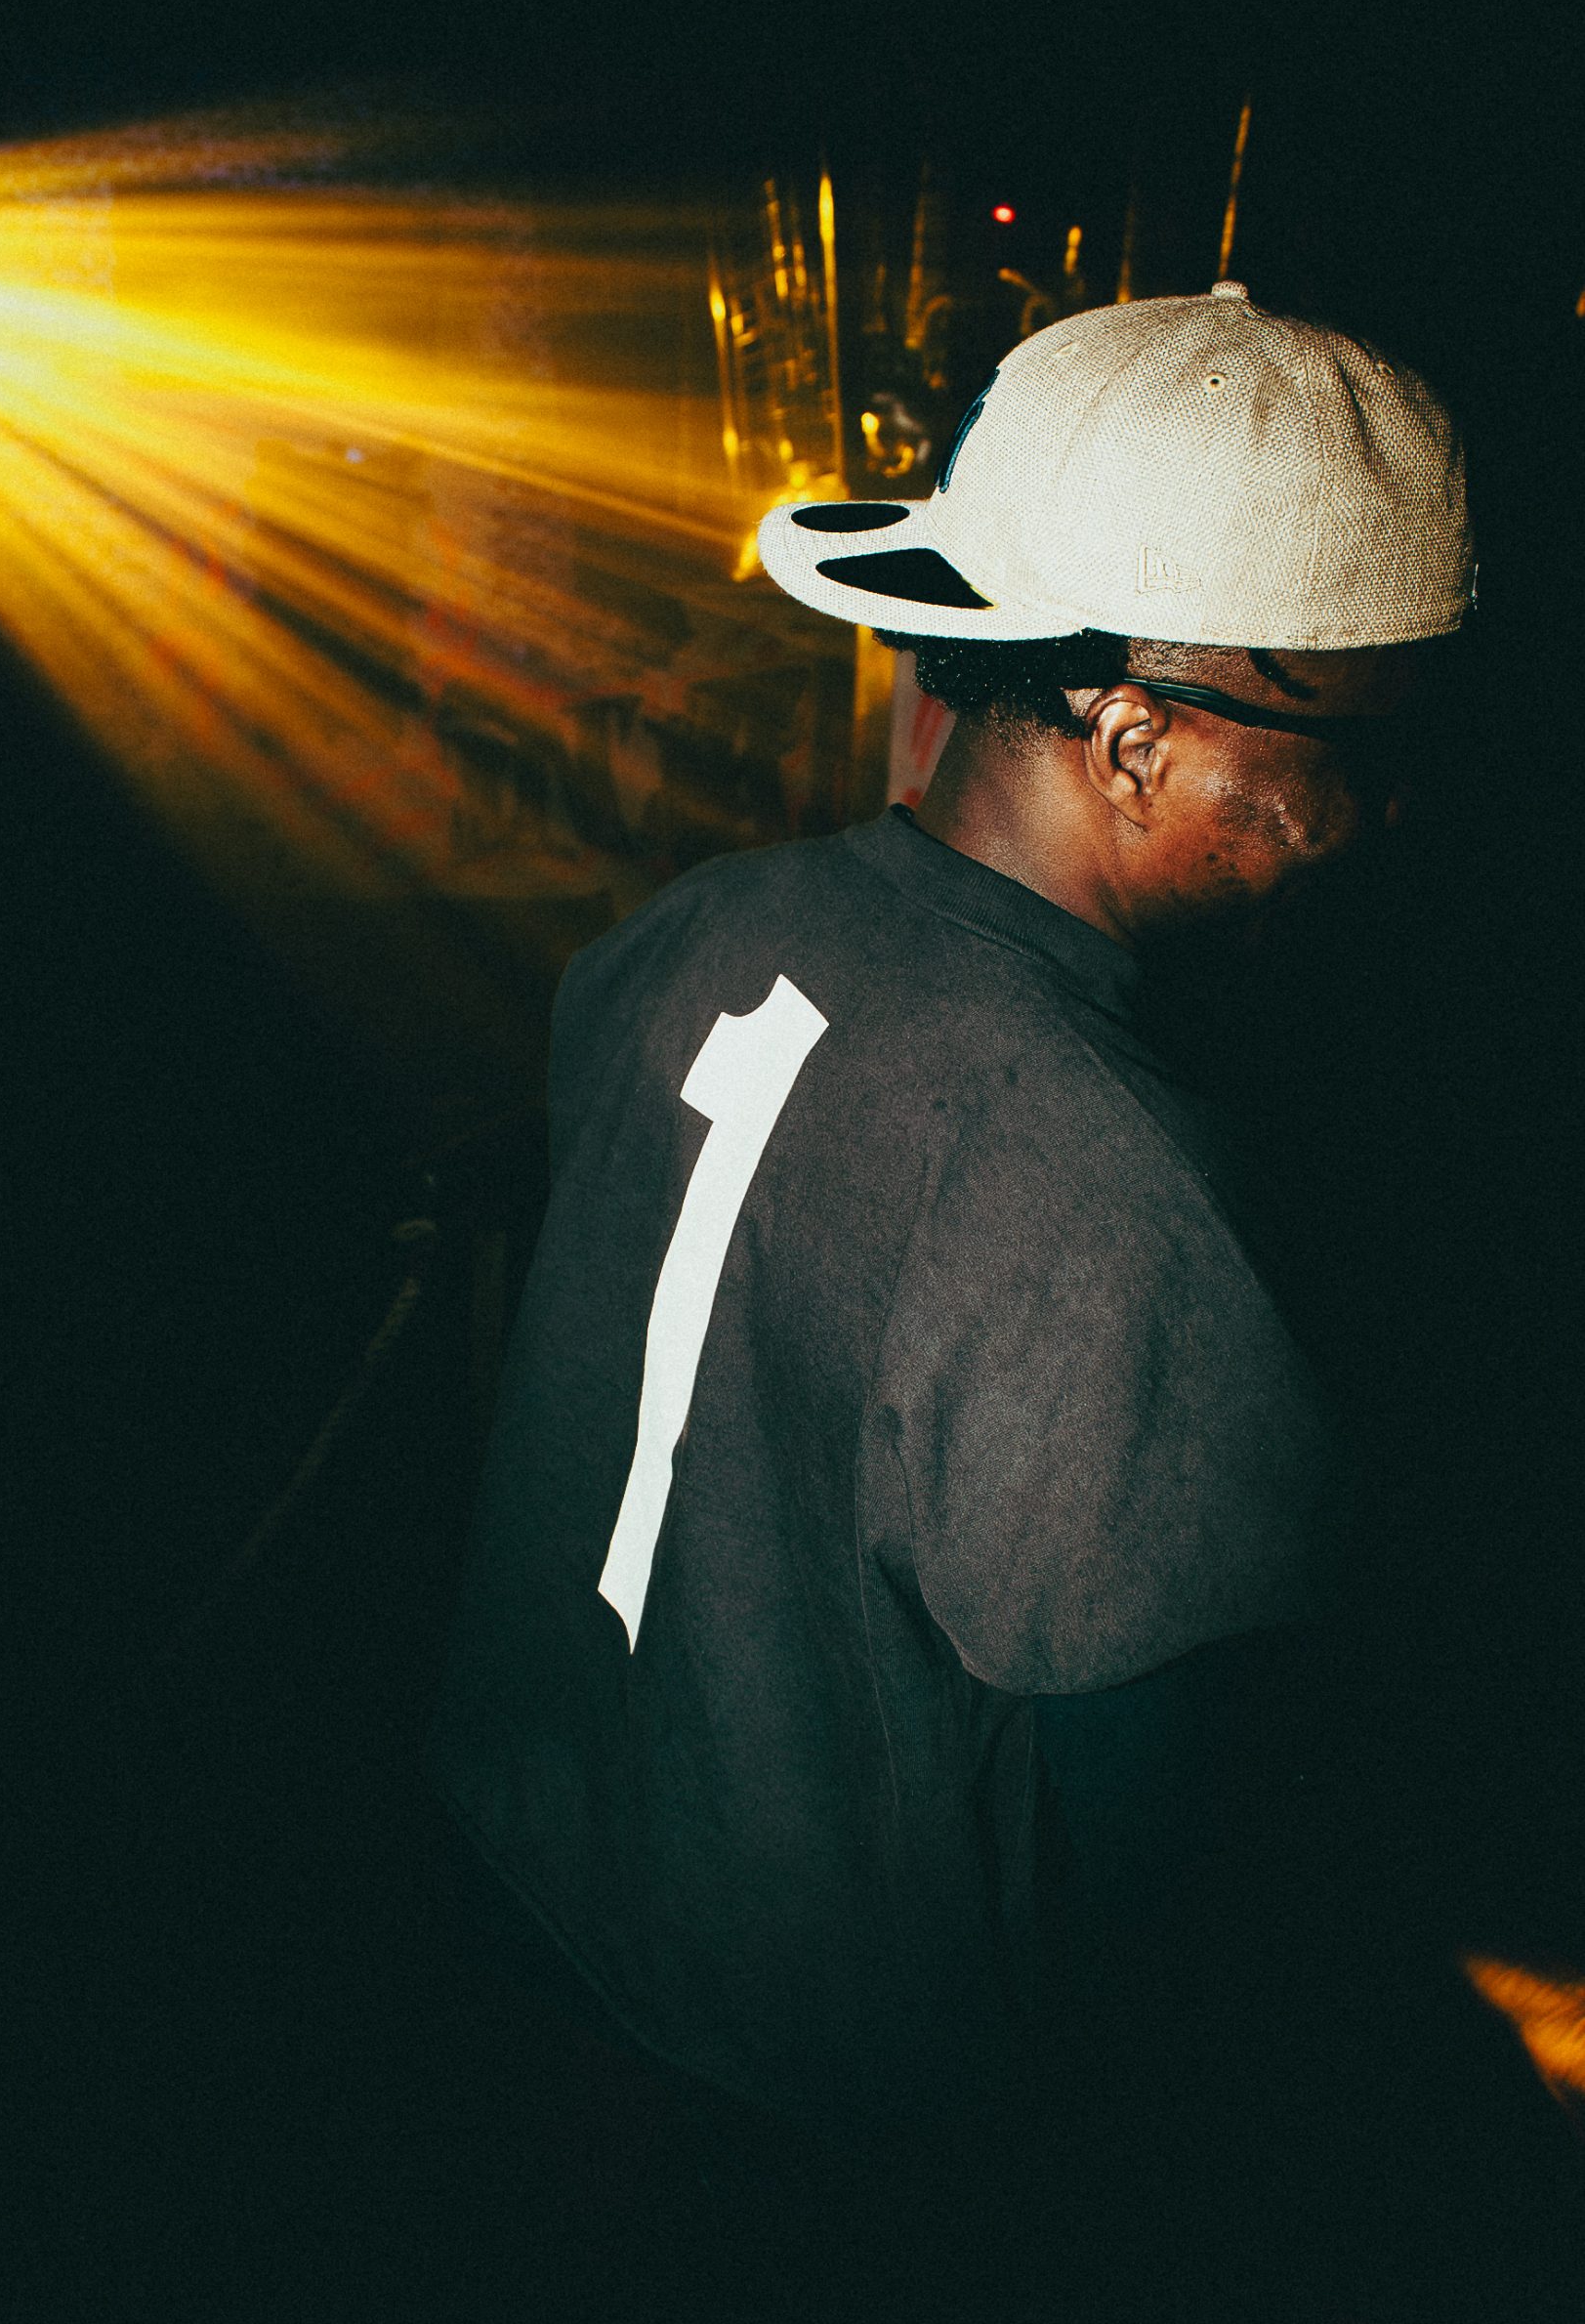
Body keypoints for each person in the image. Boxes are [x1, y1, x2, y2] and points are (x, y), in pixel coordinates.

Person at [426, 283, 1533, 2315]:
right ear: (1136, 736)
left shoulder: (698, 927)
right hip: (812, 2148)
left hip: (531, 1941)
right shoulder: (1120, 1196)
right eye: (1374, 750)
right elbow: (1178, 1925)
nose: (1397, 815)